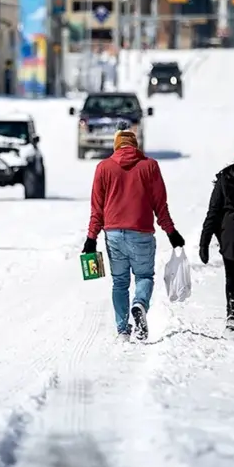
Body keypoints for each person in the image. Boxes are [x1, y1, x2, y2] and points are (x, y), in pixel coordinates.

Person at [82, 122, 185, 341]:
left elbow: (96, 208)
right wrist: (171, 232)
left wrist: (91, 238)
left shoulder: (103, 168)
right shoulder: (150, 166)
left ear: (116, 145)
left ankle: (122, 331)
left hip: (113, 235)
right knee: (144, 276)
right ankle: (139, 304)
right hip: (141, 233)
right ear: (135, 145)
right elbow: (161, 205)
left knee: (119, 282)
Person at [199, 140, 234, 344]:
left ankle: (231, 321)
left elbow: (213, 212)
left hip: (230, 238)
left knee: (232, 279)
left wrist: (204, 242)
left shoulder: (225, 177)